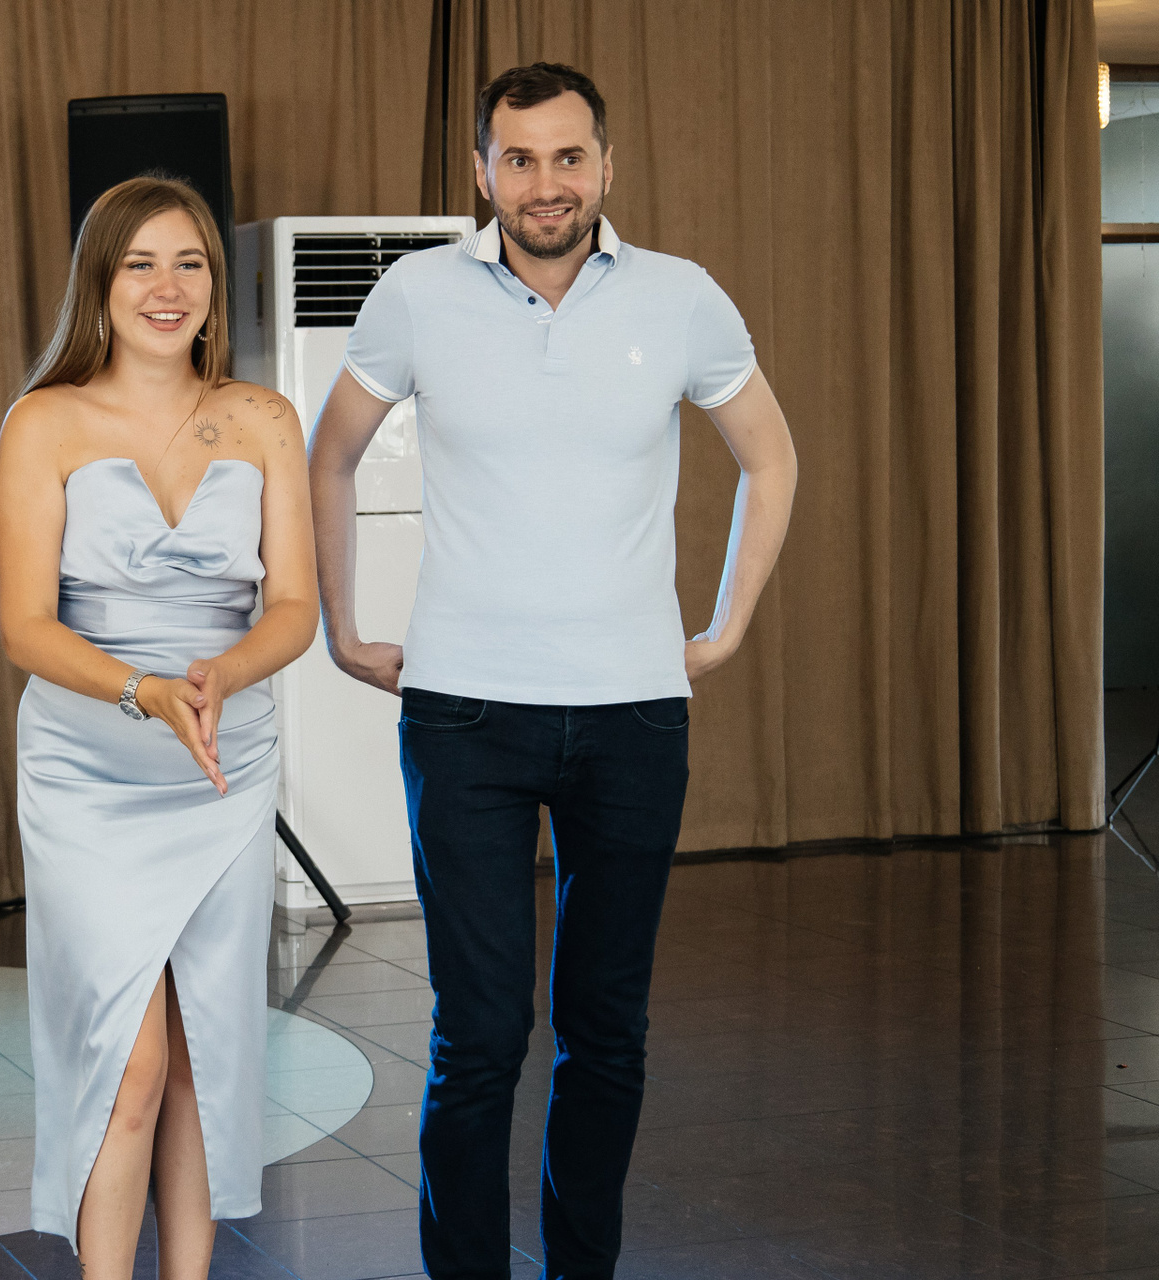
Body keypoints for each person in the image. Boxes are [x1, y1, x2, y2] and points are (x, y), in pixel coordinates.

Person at [309, 64, 798, 1280]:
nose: (546, 183)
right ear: (482, 171)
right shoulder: (416, 294)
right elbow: (329, 457)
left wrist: (727, 624)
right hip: (465, 715)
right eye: (519, 159)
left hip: (634, 715)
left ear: (606, 166)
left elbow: (772, 458)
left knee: (607, 1032)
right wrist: (340, 627)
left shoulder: (683, 297)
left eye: (568, 156)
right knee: (478, 1036)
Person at [0, 175, 317, 1279]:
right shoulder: (44, 421)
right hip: (88, 772)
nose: (166, 286)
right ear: (100, 280)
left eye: (190, 263)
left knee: (201, 1059)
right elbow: (25, 626)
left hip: (222, 765)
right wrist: (144, 689)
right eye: (140, 263)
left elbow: (295, 606)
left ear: (215, 285)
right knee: (126, 1065)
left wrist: (223, 673)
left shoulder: (264, 419)